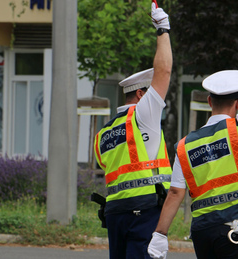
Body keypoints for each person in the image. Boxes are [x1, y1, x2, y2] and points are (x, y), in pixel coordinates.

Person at [148, 12, 238, 259]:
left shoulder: (184, 146)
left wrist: (160, 234)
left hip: (203, 233)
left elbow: (175, 193)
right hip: (234, 233)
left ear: (208, 101)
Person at [93, 2, 172, 259]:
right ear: (141, 94)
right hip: (144, 210)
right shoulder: (143, 115)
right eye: (150, 94)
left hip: (115, 212)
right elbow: (164, 70)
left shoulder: (103, 134)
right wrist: (163, 30)